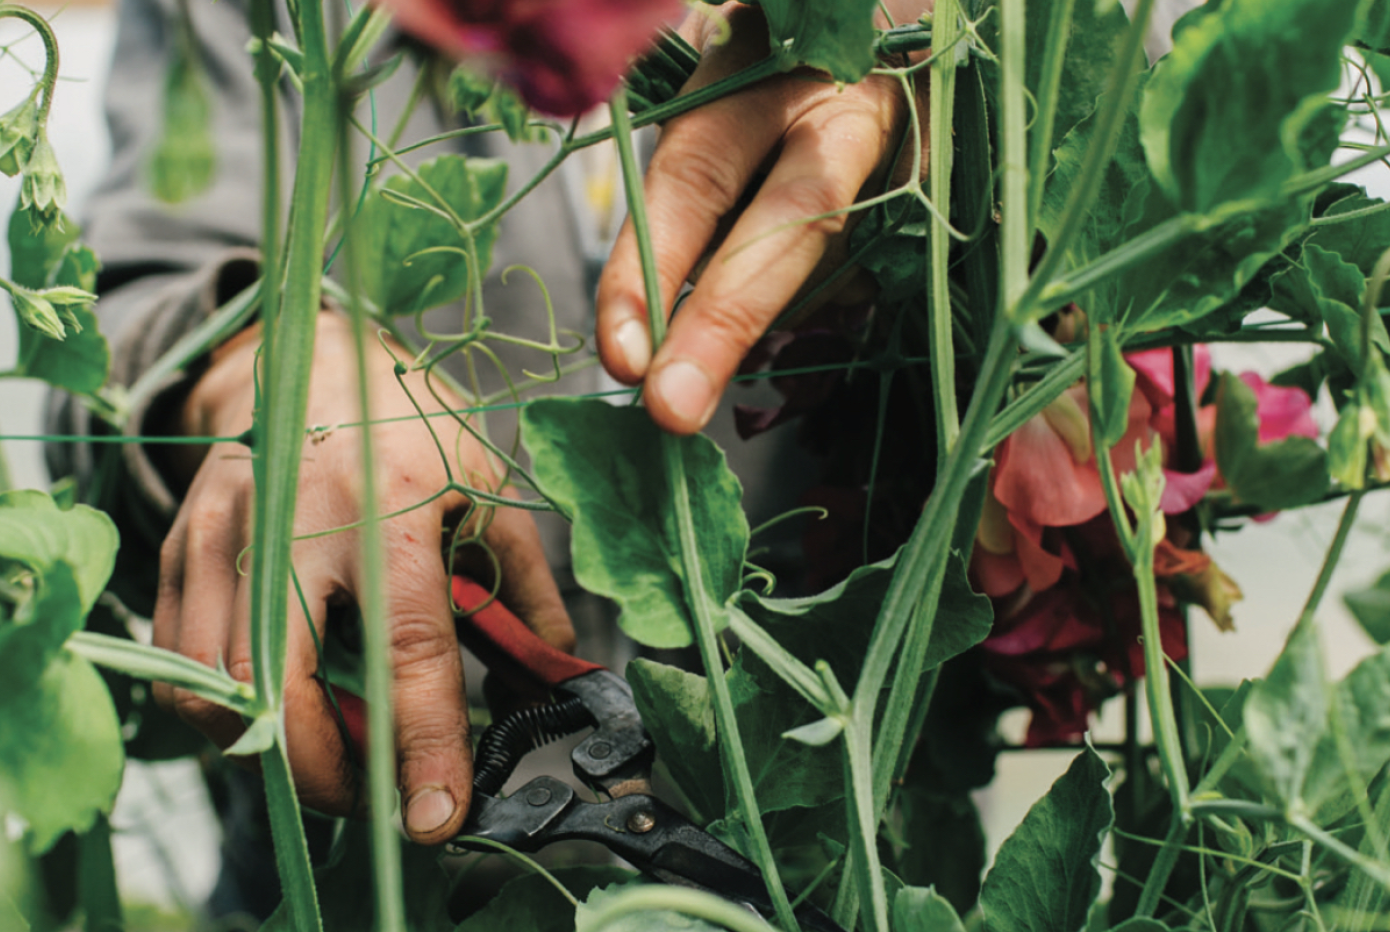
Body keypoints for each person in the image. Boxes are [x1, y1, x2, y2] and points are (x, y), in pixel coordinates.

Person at [50, 0, 930, 862]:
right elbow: (102, 350)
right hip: (354, 880)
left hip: (853, 847)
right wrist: (271, 367)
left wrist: (941, 109)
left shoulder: (933, 28)